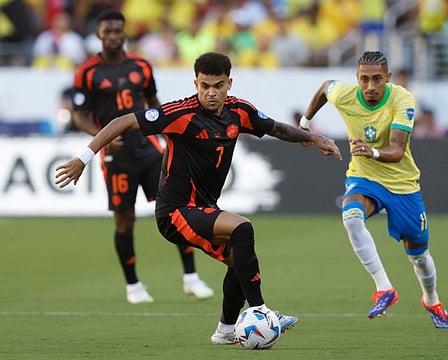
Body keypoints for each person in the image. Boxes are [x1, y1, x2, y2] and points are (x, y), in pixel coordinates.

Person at [55, 51, 342, 344]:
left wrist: (313, 137)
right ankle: (261, 311)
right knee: (242, 228)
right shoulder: (180, 113)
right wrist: (83, 158)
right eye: (204, 86)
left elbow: (276, 128)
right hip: (174, 212)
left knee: (239, 261)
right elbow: (121, 122)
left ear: (229, 83)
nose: (210, 93)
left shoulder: (240, 111)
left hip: (203, 208)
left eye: (217, 85)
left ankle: (225, 331)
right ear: (196, 83)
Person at [299, 50, 448, 329]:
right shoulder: (345, 94)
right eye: (364, 79)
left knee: (419, 256)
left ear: (388, 78)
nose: (370, 86)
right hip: (364, 177)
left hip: (402, 184)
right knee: (351, 216)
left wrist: (371, 151)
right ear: (357, 78)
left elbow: (397, 150)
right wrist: (305, 124)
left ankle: (431, 300)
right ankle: (384, 288)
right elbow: (325, 88)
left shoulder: (402, 98)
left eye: (377, 79)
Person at [70, 9, 213, 304]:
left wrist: (170, 134)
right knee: (125, 220)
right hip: (117, 157)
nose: (113, 36)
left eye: (118, 31)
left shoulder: (142, 66)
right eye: (107, 31)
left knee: (177, 209)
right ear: (99, 34)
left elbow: (154, 105)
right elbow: (79, 115)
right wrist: (102, 137)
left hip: (150, 151)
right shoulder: (87, 72)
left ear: (124, 33)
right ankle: (133, 286)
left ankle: (191, 277)